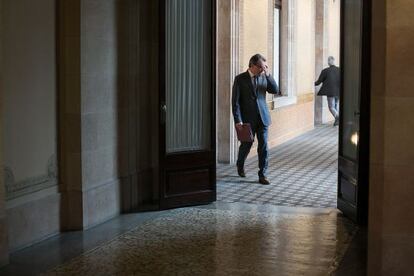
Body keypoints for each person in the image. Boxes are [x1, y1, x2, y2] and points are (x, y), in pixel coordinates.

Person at [232, 54, 280, 185]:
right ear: (252, 65)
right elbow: (235, 102)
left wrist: (269, 75)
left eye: (264, 67)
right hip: (247, 119)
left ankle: (262, 174)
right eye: (260, 67)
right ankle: (240, 164)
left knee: (263, 145)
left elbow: (274, 90)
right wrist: (238, 120)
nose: (262, 69)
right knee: (246, 145)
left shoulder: (264, 77)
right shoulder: (240, 79)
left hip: (263, 118)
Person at [315, 56, 340, 126]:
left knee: (331, 107)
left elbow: (318, 82)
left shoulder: (325, 71)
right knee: (335, 105)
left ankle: (338, 117)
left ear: (328, 62)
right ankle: (337, 120)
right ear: (334, 61)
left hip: (330, 92)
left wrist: (311, 83)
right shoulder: (340, 70)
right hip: (338, 92)